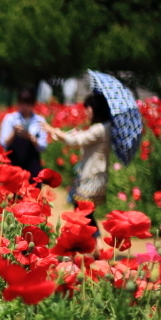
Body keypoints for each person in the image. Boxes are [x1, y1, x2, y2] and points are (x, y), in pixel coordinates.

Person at [42, 93, 113, 237]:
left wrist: (52, 130)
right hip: (95, 175)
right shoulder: (105, 127)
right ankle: (92, 244)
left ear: (97, 109)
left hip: (92, 177)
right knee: (83, 211)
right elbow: (83, 138)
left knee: (83, 211)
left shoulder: (99, 128)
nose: (86, 112)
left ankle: (95, 243)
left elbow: (76, 141)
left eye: (89, 108)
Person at [0, 88, 48, 183]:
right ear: (18, 103)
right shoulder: (10, 119)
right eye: (22, 103)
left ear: (33, 104)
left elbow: (43, 147)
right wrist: (14, 132)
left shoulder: (39, 121)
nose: (24, 107)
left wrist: (32, 138)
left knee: (33, 192)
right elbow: (2, 143)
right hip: (13, 161)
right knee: (12, 192)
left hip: (32, 163)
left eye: (28, 103)